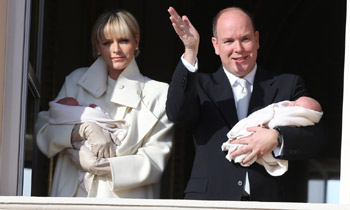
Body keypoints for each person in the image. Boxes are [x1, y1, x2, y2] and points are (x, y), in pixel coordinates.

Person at [166, 6, 327, 201]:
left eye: (245, 39)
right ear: (216, 46)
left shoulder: (288, 84)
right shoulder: (200, 85)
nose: (238, 49)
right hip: (211, 200)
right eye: (229, 41)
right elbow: (176, 113)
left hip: (272, 200)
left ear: (257, 40)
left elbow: (318, 139)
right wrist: (190, 51)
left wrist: (277, 139)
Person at [35, 10, 174, 198]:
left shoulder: (158, 93)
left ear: (136, 41)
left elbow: (154, 161)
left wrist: (102, 166)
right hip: (73, 199)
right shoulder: (76, 81)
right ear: (97, 46)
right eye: (107, 43)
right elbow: (44, 130)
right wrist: (80, 129)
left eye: (123, 40)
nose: (115, 49)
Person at [222, 96, 323, 176]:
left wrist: (277, 137)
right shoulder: (205, 84)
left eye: (296, 104)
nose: (291, 104)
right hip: (218, 185)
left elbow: (315, 136)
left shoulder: (291, 83)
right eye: (294, 102)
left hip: (270, 189)